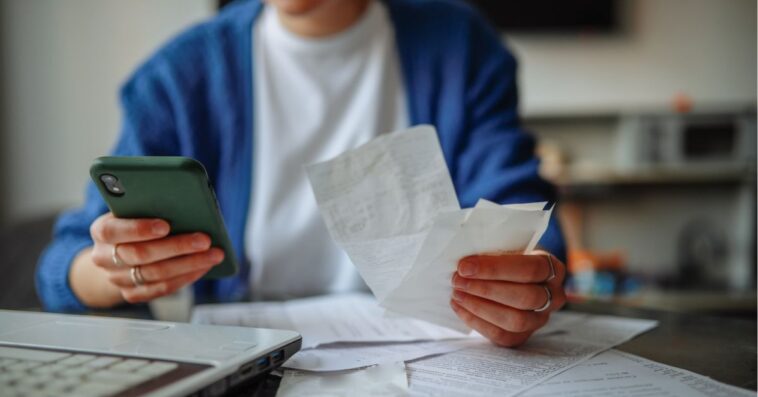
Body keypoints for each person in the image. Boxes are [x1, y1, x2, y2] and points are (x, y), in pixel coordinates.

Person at [36, 0, 568, 347]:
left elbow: (529, 230)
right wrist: (117, 267)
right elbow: (60, 268)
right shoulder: (182, 75)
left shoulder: (463, 48)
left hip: (436, 364)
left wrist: (526, 284)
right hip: (251, 366)